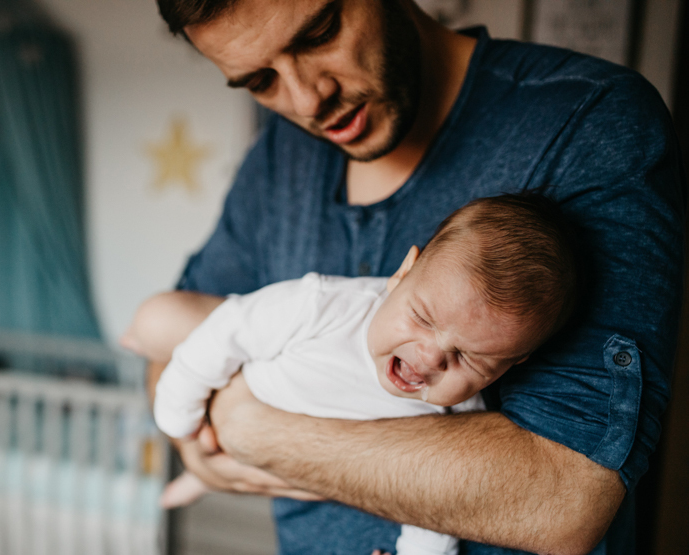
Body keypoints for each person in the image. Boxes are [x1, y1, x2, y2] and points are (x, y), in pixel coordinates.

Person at [146, 0, 685, 554]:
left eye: (320, 33)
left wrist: (247, 426)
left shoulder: (588, 123)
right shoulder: (278, 160)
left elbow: (564, 500)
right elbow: (169, 341)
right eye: (260, 80)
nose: (308, 99)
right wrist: (195, 448)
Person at [126, 195, 578, 555]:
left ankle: (203, 476)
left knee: (245, 461)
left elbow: (434, 501)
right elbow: (230, 331)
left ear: (508, 365)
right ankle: (200, 471)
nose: (430, 358)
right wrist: (178, 415)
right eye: (422, 317)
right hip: (250, 378)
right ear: (401, 275)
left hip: (297, 458)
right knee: (163, 319)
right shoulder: (325, 305)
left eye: (468, 358)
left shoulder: (457, 415)